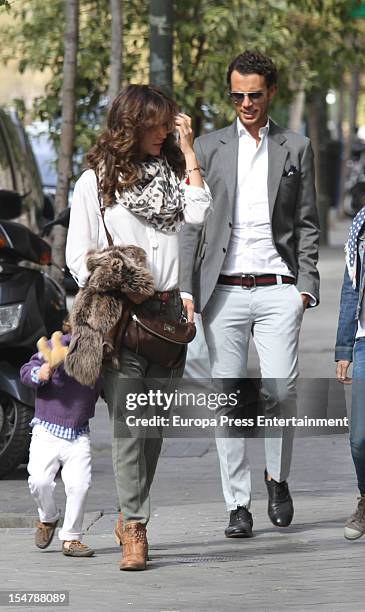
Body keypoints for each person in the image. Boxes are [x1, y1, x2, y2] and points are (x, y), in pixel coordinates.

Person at [65, 84, 211, 570]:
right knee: (129, 427)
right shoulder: (97, 182)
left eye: (168, 123)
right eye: (154, 124)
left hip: (169, 318)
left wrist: (188, 151)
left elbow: (199, 212)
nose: (163, 131)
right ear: (130, 125)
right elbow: (76, 256)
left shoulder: (173, 171)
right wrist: (118, 276)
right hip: (120, 317)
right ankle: (135, 528)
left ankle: (130, 511)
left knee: (152, 430)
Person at [180, 50, 320, 538]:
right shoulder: (209, 146)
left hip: (279, 289)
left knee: (282, 389)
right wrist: (187, 289)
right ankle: (238, 505)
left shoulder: (295, 147)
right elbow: (192, 222)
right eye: (237, 95)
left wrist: (306, 288)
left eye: (254, 94)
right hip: (224, 291)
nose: (245, 103)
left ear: (271, 92)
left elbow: (307, 224)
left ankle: (277, 479)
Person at [20, 329, 99, 557]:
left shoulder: (100, 355)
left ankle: (71, 538)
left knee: (80, 485)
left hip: (79, 432)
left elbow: (108, 388)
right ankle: (48, 517)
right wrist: (40, 372)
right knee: (39, 481)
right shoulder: (56, 346)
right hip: (46, 429)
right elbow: (26, 371)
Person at [335, 204, 365, 540]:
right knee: (359, 439)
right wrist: (343, 347)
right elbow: (350, 287)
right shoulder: (361, 225)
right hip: (364, 341)